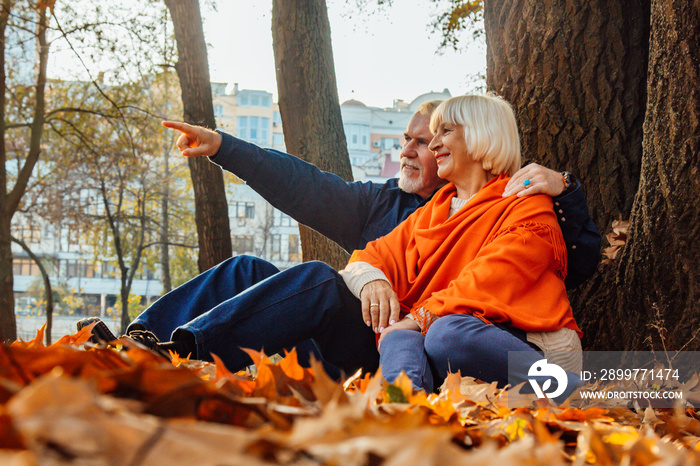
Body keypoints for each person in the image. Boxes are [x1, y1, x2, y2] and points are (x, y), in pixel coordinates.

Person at [79, 100, 599, 379]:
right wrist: (226, 148)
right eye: (413, 140)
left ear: (474, 146)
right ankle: (137, 342)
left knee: (322, 283)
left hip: (399, 347)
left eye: (431, 139)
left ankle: (183, 353)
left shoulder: (515, 202)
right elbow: (305, 188)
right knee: (245, 269)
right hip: (368, 328)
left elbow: (557, 259)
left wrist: (567, 190)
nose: (417, 149)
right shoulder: (393, 206)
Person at [340, 94, 582, 394]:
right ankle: (403, 417)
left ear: (482, 135)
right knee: (397, 337)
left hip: (528, 344)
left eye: (446, 132)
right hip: (447, 342)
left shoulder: (527, 204)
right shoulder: (432, 211)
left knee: (445, 333)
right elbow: (370, 256)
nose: (433, 144)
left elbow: (487, 279)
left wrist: (417, 317)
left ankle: (577, 393)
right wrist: (372, 281)